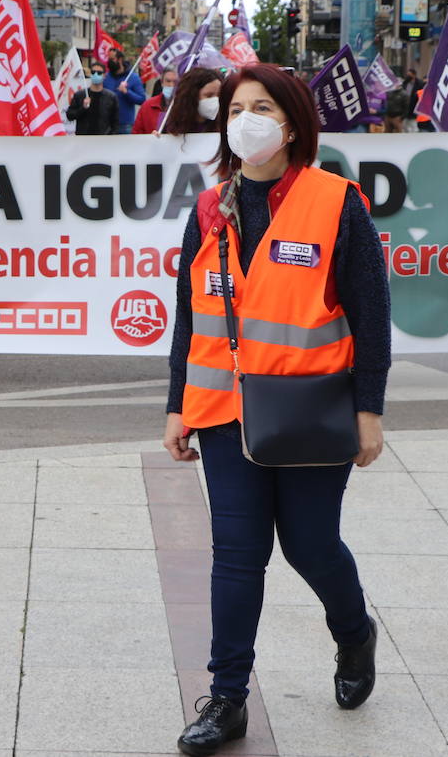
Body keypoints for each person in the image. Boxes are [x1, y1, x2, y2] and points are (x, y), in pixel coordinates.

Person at [164, 62, 389, 755]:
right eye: (235, 108)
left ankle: (354, 635)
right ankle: (226, 698)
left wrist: (369, 410)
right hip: (225, 409)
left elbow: (371, 314)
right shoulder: (209, 208)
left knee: (310, 545)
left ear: (291, 121)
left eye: (261, 106)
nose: (246, 119)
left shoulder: (335, 201)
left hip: (310, 407)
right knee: (238, 552)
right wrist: (176, 406)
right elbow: (187, 315)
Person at [160, 67, 222, 136]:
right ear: (192, 96)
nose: (216, 100)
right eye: (209, 95)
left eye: (219, 95)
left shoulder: (223, 124)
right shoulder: (166, 122)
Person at [66, 62, 119, 135]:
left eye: (99, 73)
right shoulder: (80, 95)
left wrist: (111, 136)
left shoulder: (111, 97)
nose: (96, 75)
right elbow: (70, 116)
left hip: (103, 138)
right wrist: (83, 108)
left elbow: (115, 121)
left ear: (104, 75)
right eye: (93, 72)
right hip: (84, 137)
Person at [106, 52, 146, 133]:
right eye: (108, 59)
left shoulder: (133, 77)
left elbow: (142, 99)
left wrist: (127, 92)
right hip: (106, 123)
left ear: (120, 60)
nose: (109, 62)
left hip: (124, 125)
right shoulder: (106, 77)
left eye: (112, 59)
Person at [132, 67, 177, 134]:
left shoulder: (185, 106)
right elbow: (137, 132)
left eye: (175, 82)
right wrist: (150, 138)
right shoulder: (148, 106)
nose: (171, 85)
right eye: (168, 81)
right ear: (162, 83)